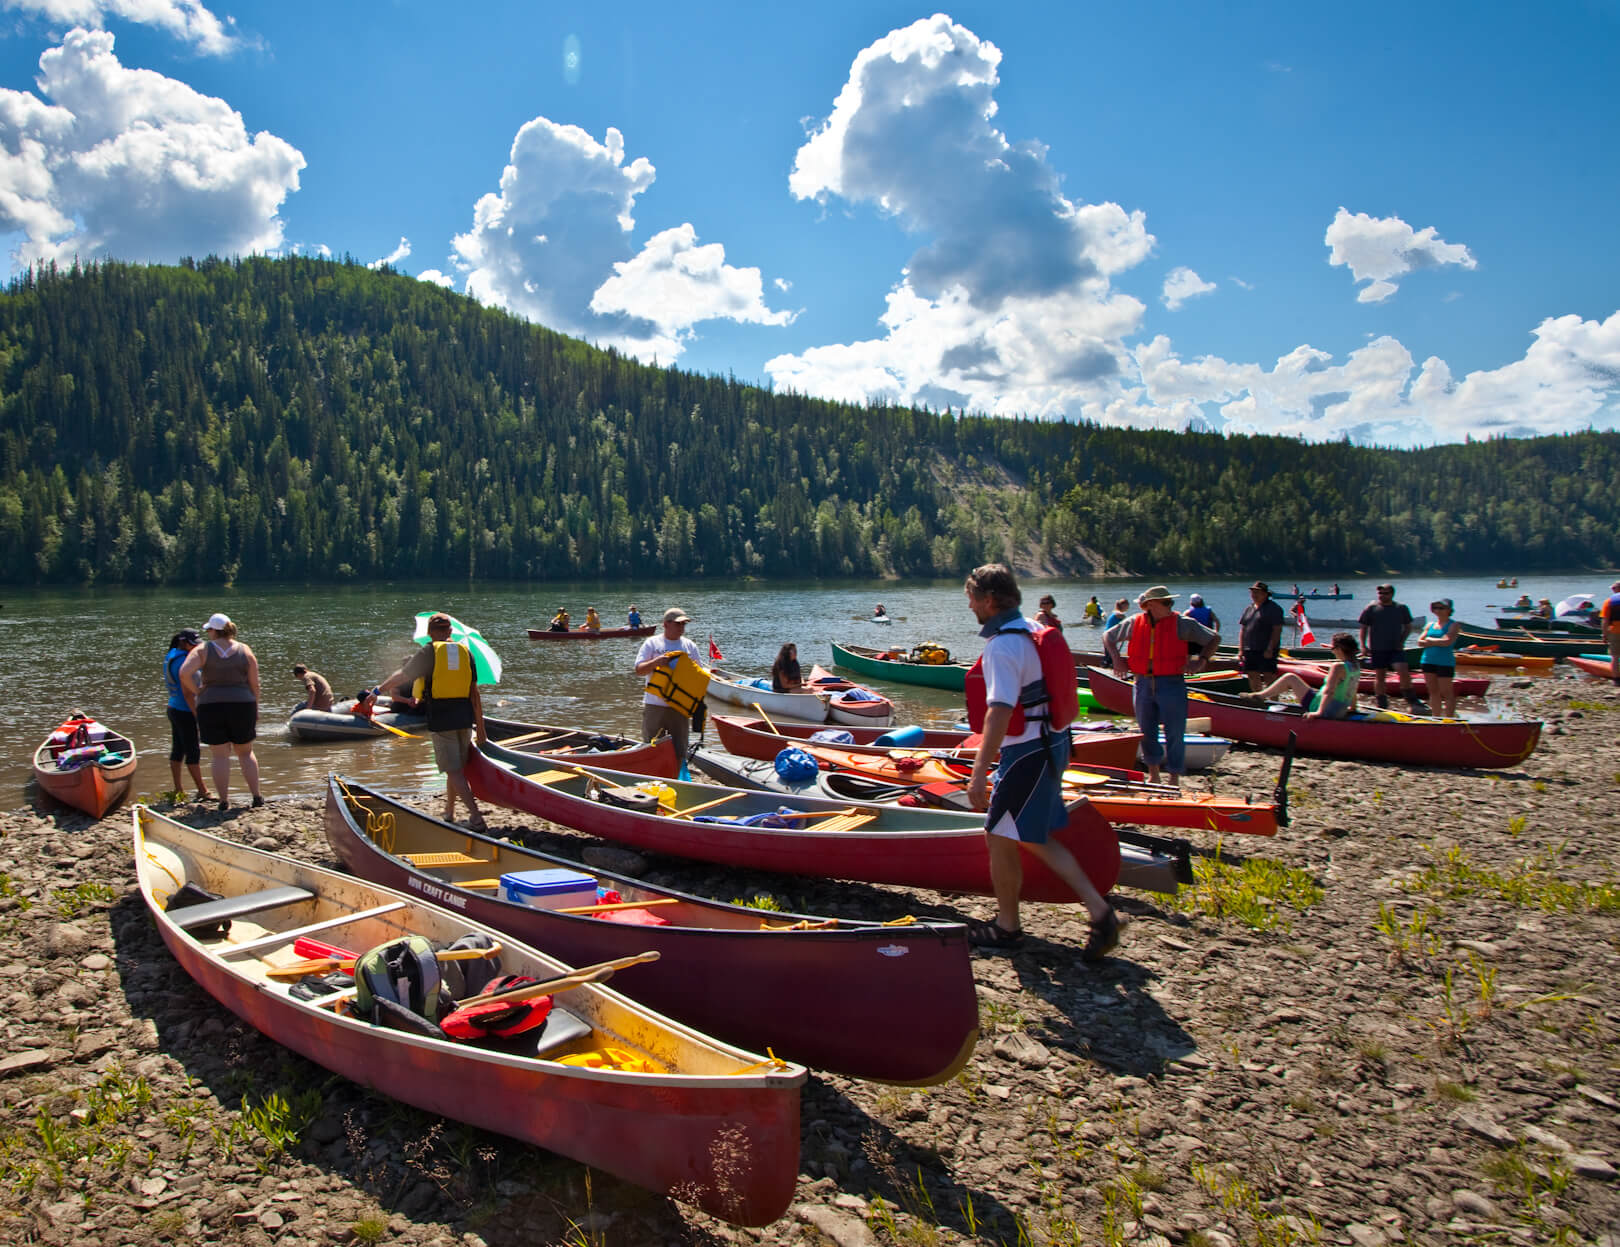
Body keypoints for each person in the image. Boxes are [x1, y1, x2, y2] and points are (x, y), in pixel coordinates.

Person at [962, 563, 1119, 960]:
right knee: (1027, 834)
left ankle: (1008, 927)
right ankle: (1100, 913)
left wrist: (979, 772)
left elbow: (999, 711)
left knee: (999, 833)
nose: (970, 607)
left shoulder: (1002, 645)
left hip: (1027, 753)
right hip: (1054, 742)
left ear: (989, 600)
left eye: (973, 599)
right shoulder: (1032, 629)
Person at [380, 612, 490, 831]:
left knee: (453, 770)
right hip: (465, 718)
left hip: (442, 719)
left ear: (429, 633)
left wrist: (377, 690)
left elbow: (403, 675)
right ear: (450, 631)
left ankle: (476, 817)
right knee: (455, 769)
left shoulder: (429, 651)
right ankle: (449, 811)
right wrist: (481, 727)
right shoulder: (466, 652)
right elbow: (474, 692)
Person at [1103, 586, 1220, 785]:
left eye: (1170, 602)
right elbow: (1108, 636)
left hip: (1172, 683)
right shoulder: (1134, 622)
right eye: (1166, 602)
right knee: (1147, 731)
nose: (1170, 605)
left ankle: (1174, 777)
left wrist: (1201, 662)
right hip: (1142, 682)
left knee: (1174, 732)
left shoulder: (1182, 623)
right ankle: (1154, 774)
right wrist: (1116, 660)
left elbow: (1214, 638)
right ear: (1149, 605)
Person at [178, 612, 264, 811]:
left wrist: (198, 691)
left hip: (211, 705)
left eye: (208, 630)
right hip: (242, 704)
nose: (207, 633)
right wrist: (255, 706)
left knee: (219, 756)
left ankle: (224, 800)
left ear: (213, 631)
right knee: (246, 753)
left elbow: (184, 673)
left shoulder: (203, 650)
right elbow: (255, 684)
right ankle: (256, 796)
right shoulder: (244, 650)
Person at [634, 607, 704, 760]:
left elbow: (699, 676)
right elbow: (639, 670)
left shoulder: (690, 646)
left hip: (680, 707)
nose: (681, 627)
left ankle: (678, 772)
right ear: (665, 624)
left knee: (680, 749)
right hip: (655, 705)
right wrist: (656, 662)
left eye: (684, 624)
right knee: (650, 748)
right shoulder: (652, 643)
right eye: (678, 624)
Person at [1247, 633, 1362, 718]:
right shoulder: (1355, 666)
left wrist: (1318, 713)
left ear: (1340, 649)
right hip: (1340, 709)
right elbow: (1353, 688)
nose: (1332, 652)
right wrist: (1353, 707)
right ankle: (1260, 696)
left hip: (1323, 708)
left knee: (1290, 678)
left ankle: (1260, 696)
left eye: (1332, 648)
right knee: (1296, 681)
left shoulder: (1338, 667)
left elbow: (1329, 691)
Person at [163, 629, 211, 802]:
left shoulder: (171, 655)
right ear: (182, 642)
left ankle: (178, 789)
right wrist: (197, 715)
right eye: (191, 644)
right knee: (193, 751)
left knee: (177, 750)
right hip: (185, 711)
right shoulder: (184, 662)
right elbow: (188, 693)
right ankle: (202, 791)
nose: (194, 647)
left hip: (173, 707)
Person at [1358, 584, 1418, 709]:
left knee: (1403, 671)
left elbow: (1408, 627)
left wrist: (1402, 641)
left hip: (1395, 648)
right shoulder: (1371, 608)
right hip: (1377, 648)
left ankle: (1411, 700)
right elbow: (1363, 628)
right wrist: (1363, 646)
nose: (1382, 596)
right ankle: (1381, 702)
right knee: (1380, 676)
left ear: (1392, 594)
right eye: (1380, 593)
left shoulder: (1401, 608)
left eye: (1385, 593)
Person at [1416, 599, 1462, 718]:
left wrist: (1430, 641)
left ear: (1449, 610)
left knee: (1446, 692)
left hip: (1445, 662)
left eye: (1441, 608)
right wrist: (1437, 642)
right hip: (1428, 661)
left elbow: (1447, 642)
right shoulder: (1430, 625)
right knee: (1433, 691)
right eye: (1435, 608)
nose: (1438, 610)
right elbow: (1420, 642)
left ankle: (1449, 719)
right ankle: (1436, 717)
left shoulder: (1453, 625)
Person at [1238, 582, 1285, 691]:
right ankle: (1258, 698)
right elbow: (1243, 629)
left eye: (1257, 592)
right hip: (1250, 648)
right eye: (1252, 592)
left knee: (1269, 675)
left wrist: (1270, 648)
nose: (1254, 595)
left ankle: (1273, 699)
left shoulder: (1274, 608)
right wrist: (1241, 649)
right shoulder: (1249, 608)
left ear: (1265, 594)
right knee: (1252, 674)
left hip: (1265, 648)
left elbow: (1277, 630)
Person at [1601, 580, 1620, 684]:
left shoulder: (1609, 601)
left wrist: (1604, 635)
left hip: (1615, 631)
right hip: (1615, 631)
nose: (1612, 590)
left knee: (1615, 657)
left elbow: (1605, 620)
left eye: (1613, 588)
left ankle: (1617, 680)